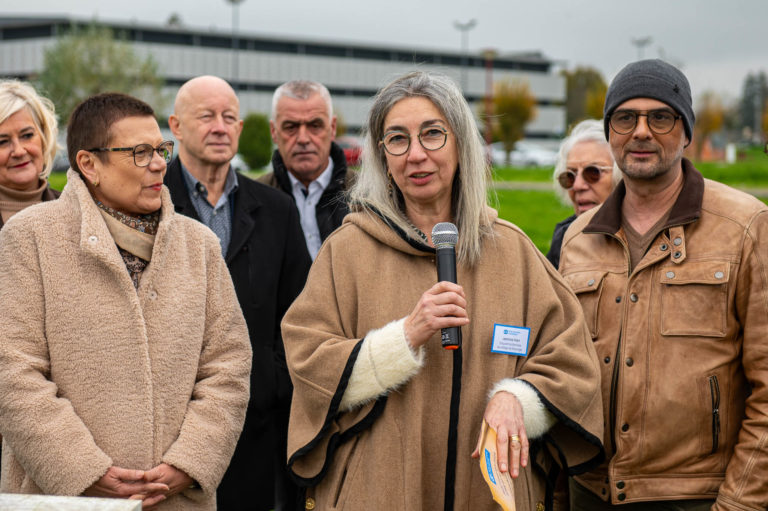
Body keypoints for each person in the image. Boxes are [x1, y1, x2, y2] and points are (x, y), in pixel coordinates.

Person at [281, 71, 604, 511]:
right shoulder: (348, 251)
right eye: (397, 139)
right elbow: (307, 361)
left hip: (488, 493)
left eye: (433, 134)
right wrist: (404, 337)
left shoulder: (513, 251)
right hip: (379, 490)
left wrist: (518, 398)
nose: (416, 155)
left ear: (460, 143)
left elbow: (573, 366)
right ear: (383, 156)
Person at [0, 92, 251, 510]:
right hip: (65, 499)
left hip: (177, 498)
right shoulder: (29, 237)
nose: (158, 164)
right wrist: (83, 470)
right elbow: (13, 372)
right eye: (139, 152)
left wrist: (189, 462)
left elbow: (228, 367)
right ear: (88, 164)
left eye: (160, 149)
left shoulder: (200, 244)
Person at [559, 59, 768, 510]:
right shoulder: (579, 238)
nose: (641, 132)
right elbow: (562, 374)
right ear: (611, 131)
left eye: (660, 117)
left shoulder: (745, 228)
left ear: (687, 131)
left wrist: (739, 505)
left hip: (695, 496)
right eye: (625, 118)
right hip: (588, 491)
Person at [165, 75, 311, 511]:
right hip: (170, 423)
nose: (219, 127)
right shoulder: (152, 201)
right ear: (175, 126)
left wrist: (273, 382)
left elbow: (301, 312)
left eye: (229, 117)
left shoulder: (276, 209)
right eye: (206, 116)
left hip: (255, 421)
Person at [259, 80, 352, 260]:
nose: (303, 138)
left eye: (315, 126)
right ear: (273, 131)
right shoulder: (254, 200)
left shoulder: (367, 196)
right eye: (291, 127)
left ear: (332, 128)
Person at [546, 119, 619, 268]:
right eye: (570, 175)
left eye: (593, 172)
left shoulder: (645, 237)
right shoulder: (563, 239)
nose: (577, 186)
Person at [0, 79, 60, 230]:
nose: (19, 151)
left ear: (44, 137)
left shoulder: (80, 212)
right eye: (2, 142)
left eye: (27, 135)